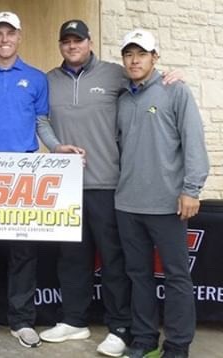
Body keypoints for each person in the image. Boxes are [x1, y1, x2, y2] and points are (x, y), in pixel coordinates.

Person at [0, 11, 82, 349]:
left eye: (10, 33)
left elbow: (41, 122)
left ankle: (21, 321)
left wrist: (56, 147)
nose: (4, 39)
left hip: (24, 175)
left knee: (24, 252)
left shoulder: (37, 79)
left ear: (19, 37)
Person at [37, 20, 132, 357]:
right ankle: (74, 320)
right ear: (60, 45)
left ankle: (120, 326)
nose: (72, 46)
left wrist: (171, 77)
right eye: (66, 41)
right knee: (72, 259)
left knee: (112, 258)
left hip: (106, 183)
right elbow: (40, 119)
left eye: (78, 40)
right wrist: (54, 145)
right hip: (66, 185)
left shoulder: (114, 73)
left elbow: (147, 83)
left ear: (90, 43)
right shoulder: (48, 80)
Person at [115, 29, 208, 358]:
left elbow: (194, 142)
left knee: (176, 276)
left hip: (168, 205)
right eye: (129, 54)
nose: (135, 59)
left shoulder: (175, 90)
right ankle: (143, 339)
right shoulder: (123, 99)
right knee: (138, 275)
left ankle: (178, 346)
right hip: (127, 204)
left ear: (156, 57)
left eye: (142, 53)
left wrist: (191, 189)